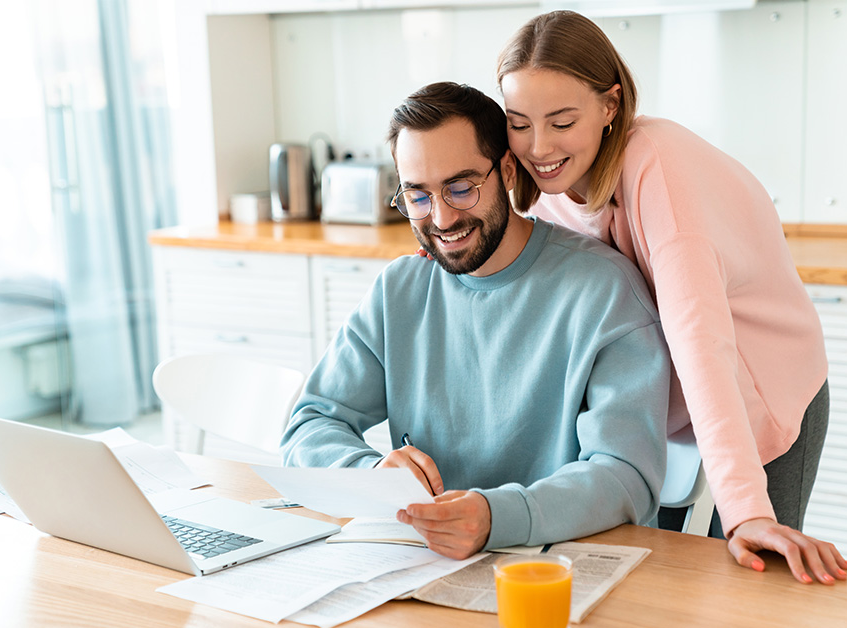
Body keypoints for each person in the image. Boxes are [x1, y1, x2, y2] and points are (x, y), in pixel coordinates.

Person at [494, 10, 847, 585]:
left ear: (610, 105)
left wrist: (747, 511)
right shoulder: (546, 194)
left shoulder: (659, 172)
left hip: (757, 388)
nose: (539, 147)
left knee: (749, 583)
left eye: (562, 122)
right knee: (658, 584)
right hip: (661, 408)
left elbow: (699, 339)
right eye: (519, 123)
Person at [281, 81, 671, 561]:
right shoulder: (400, 290)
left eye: (461, 188)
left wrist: (497, 517)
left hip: (559, 566)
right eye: (417, 197)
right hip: (424, 562)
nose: (441, 218)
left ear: (507, 169)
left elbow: (627, 476)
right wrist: (371, 472)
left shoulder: (603, 290)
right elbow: (310, 424)